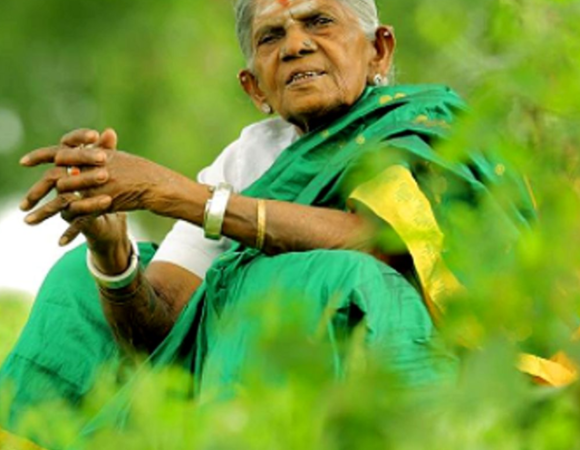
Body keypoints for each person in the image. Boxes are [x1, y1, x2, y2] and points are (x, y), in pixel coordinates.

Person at [1, 0, 548, 441]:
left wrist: (188, 199)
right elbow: (163, 327)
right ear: (254, 87)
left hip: (419, 360)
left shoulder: (424, 130)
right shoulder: (246, 159)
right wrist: (110, 250)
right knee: (81, 280)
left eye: (319, 21)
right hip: (241, 369)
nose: (296, 45)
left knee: (328, 280)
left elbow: (385, 245)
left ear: (379, 51)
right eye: (271, 36)